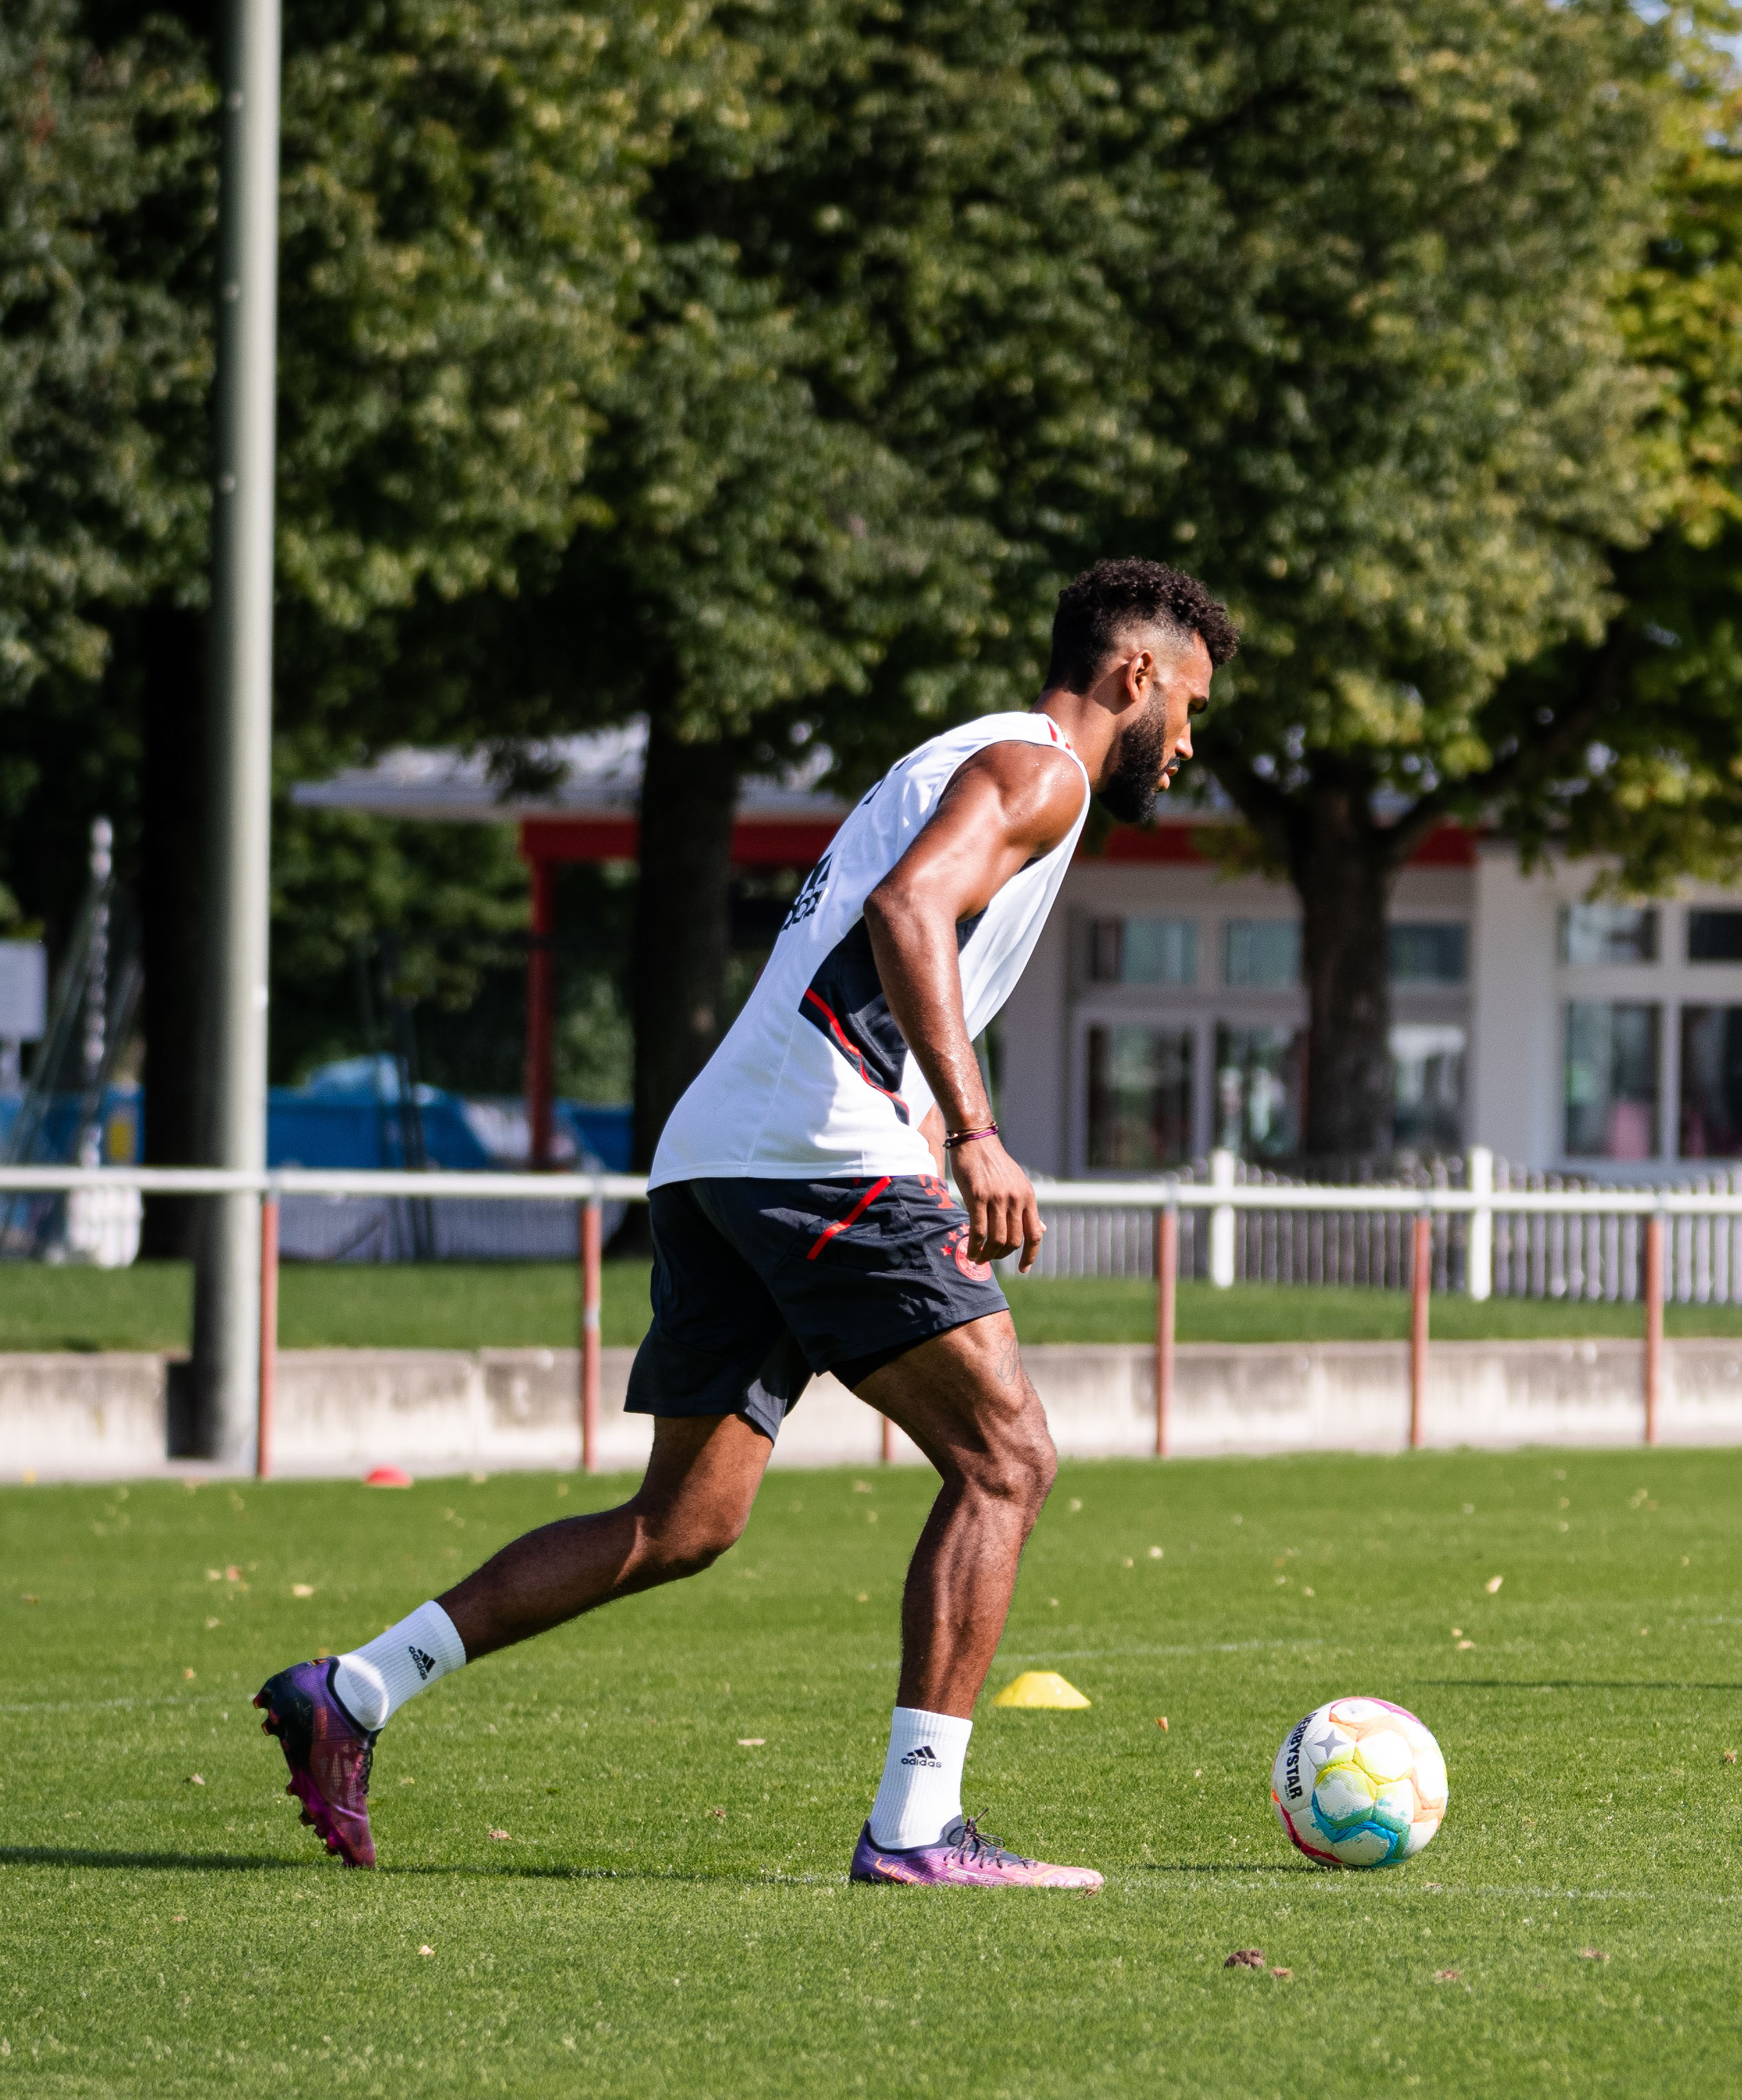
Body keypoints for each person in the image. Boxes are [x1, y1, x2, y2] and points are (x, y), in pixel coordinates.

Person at [255, 558, 1235, 1885]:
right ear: (1135, 674)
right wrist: (977, 1127)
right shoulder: (1041, 769)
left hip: (722, 1150)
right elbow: (907, 911)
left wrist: (933, 1134)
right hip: (820, 1150)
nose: (1186, 744)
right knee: (1007, 1460)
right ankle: (915, 1828)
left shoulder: (971, 755)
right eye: (1188, 706)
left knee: (684, 1521)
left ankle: (356, 1688)